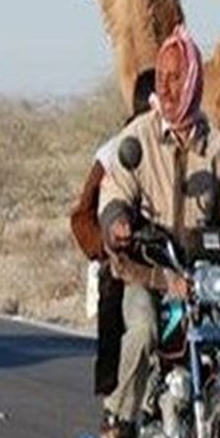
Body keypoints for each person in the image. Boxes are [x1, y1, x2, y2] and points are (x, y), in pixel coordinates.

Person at [97, 25, 220, 438]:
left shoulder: (218, 150)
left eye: (176, 77)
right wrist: (118, 223)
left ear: (193, 82)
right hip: (146, 272)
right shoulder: (140, 138)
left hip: (198, 281)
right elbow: (113, 192)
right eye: (162, 78)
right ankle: (120, 424)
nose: (167, 88)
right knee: (145, 330)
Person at [69, 70, 155, 397]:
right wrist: (107, 245)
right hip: (127, 259)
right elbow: (82, 216)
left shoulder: (186, 148)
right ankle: (115, 413)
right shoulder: (115, 153)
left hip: (170, 261)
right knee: (116, 296)